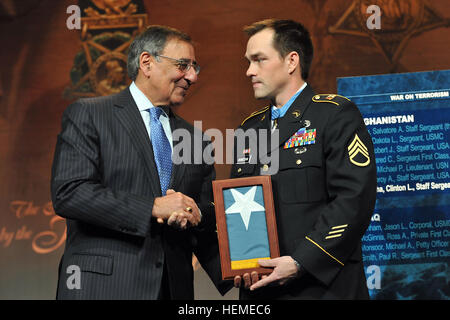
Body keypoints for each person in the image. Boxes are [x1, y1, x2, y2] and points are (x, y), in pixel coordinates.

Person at [51, 25, 227, 299]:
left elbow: (203, 215)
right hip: (102, 288)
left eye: (195, 67)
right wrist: (153, 207)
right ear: (147, 62)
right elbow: (70, 193)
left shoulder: (197, 140)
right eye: (183, 65)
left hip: (172, 290)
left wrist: (242, 271)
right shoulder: (89, 115)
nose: (191, 76)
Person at [231, 19, 377, 299]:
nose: (249, 71)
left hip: (322, 287)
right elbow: (235, 206)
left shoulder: (334, 114)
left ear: (291, 61)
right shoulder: (248, 128)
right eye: (248, 62)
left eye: (259, 60)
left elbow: (353, 199)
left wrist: (301, 262)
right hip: (260, 290)